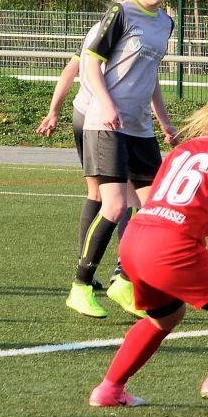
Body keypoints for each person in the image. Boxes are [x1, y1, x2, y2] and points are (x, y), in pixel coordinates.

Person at [88, 85, 208, 416]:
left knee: (165, 317)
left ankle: (109, 389)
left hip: (135, 240)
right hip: (169, 247)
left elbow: (157, 199)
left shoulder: (187, 148)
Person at [66, 0, 179, 320]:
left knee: (156, 209)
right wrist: (106, 103)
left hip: (140, 128)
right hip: (106, 124)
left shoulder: (165, 23)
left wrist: (164, 121)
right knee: (114, 206)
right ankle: (81, 286)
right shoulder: (121, 13)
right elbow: (90, 63)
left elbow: (151, 75)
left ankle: (124, 279)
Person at [36, 46, 135, 295]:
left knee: (97, 193)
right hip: (106, 118)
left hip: (82, 113)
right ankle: (123, 268)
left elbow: (69, 71)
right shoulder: (121, 31)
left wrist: (54, 111)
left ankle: (85, 266)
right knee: (126, 194)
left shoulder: (95, 33)